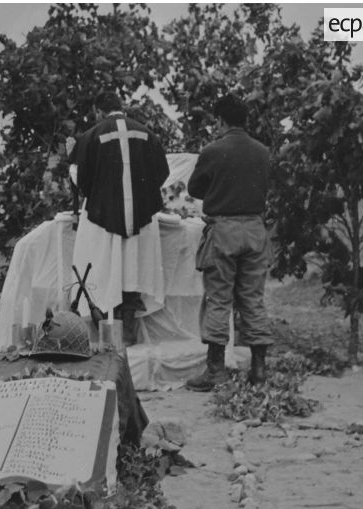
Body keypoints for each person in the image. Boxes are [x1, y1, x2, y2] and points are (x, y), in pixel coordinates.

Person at [186, 93, 273, 391]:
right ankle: (259, 370)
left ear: (220, 120)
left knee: (218, 299)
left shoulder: (212, 150)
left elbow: (195, 188)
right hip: (255, 230)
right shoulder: (263, 151)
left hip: (223, 231)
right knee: (252, 299)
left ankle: (215, 371)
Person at [68, 91, 170, 345]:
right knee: (132, 271)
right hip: (141, 220)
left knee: (105, 271)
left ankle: (107, 333)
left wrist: (74, 161)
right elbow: (162, 173)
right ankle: (128, 333)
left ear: (99, 112)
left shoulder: (90, 136)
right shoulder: (147, 133)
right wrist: (141, 197)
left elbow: (81, 181)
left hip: (103, 219)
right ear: (120, 108)